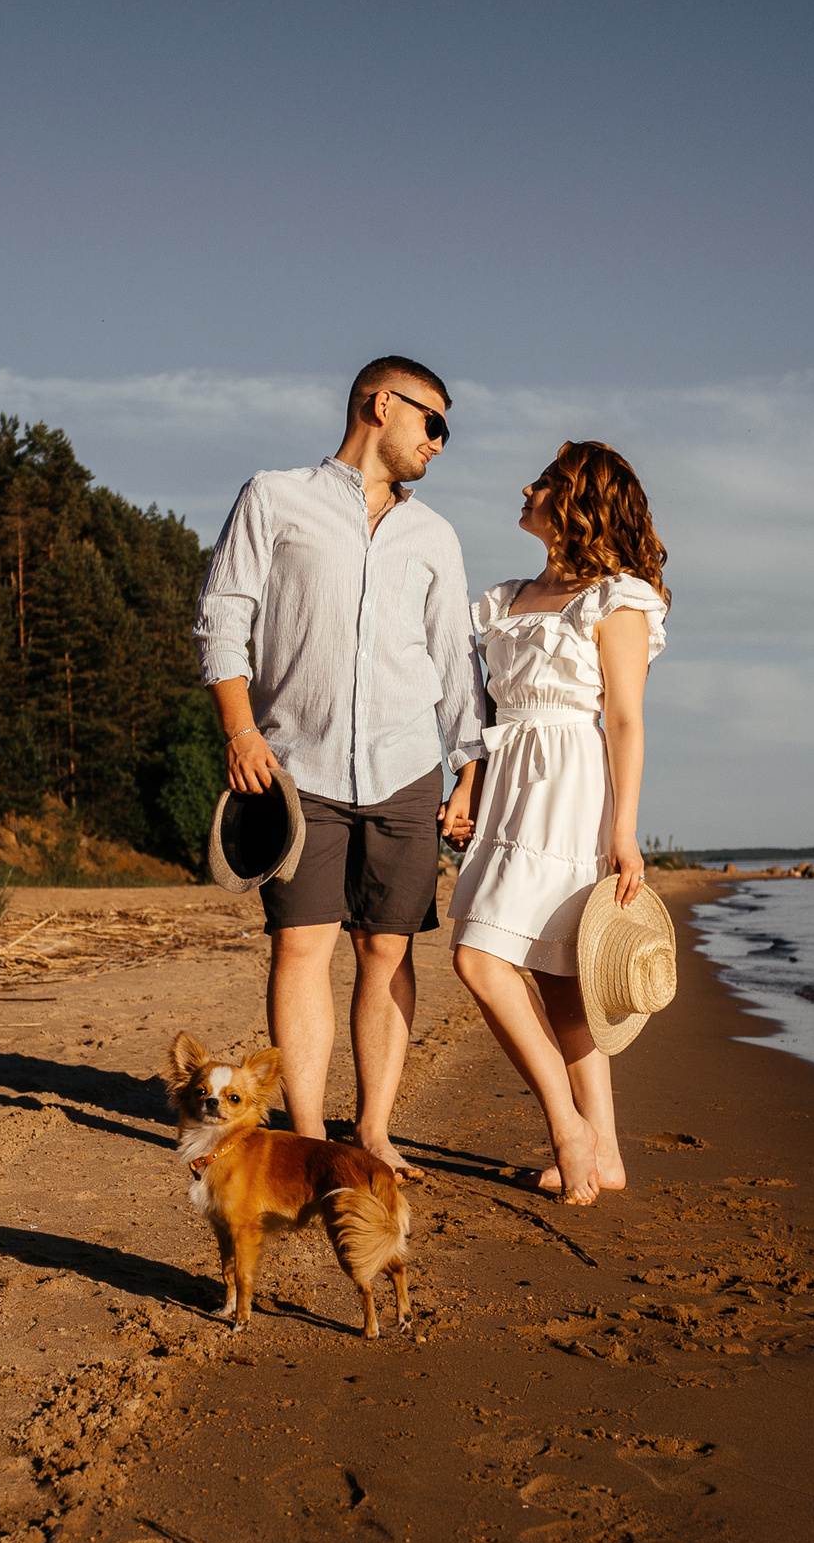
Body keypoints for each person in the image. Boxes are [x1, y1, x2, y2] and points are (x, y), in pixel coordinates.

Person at [192, 356, 483, 1180]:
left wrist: (469, 770)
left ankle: (377, 1133)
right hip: (297, 767)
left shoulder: (435, 536)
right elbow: (221, 617)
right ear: (380, 404)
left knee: (388, 952)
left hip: (405, 771)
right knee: (301, 947)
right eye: (434, 423)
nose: (439, 443)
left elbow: (456, 664)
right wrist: (239, 730)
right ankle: (313, 1136)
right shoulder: (273, 497)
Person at [441, 442, 669, 1204]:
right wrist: (467, 784)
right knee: (552, 975)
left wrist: (624, 831)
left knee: (482, 958)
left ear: (578, 503)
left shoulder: (618, 597)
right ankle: (602, 1150)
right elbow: (486, 712)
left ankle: (569, 1130)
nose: (527, 489)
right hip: (509, 778)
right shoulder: (507, 598)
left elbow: (627, 721)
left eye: (544, 482)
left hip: (570, 782)